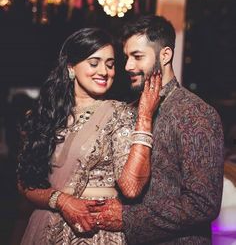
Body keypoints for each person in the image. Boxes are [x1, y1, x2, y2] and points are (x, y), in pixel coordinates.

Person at [17, 27, 161, 244]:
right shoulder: (45, 116)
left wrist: (144, 119)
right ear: (71, 68)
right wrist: (62, 200)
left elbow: (132, 188)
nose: (104, 71)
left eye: (110, 65)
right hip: (44, 228)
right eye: (94, 63)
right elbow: (25, 183)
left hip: (94, 234)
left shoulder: (119, 114)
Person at [89, 15, 225, 244]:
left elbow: (203, 204)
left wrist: (128, 217)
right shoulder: (130, 110)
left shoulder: (195, 114)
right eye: (126, 57)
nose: (128, 66)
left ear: (165, 55)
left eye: (137, 57)